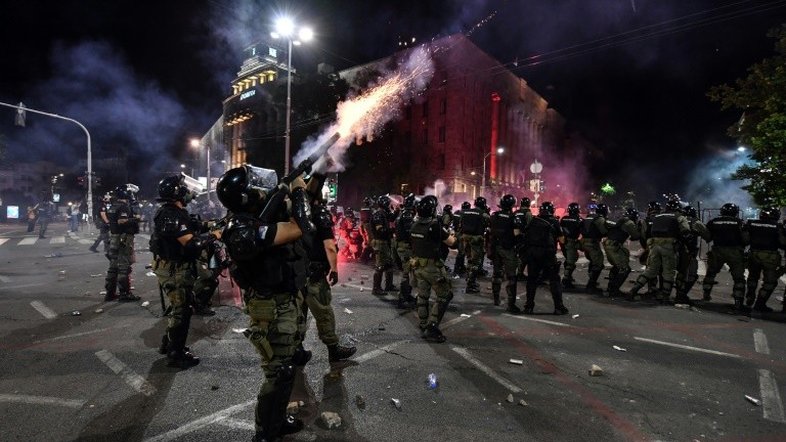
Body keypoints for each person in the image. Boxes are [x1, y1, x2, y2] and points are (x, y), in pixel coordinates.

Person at [216, 165, 311, 441]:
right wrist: (299, 191)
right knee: (279, 372)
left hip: (278, 301)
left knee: (285, 367)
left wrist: (285, 191)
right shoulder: (243, 229)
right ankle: (265, 433)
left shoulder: (249, 220)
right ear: (246, 197)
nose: (261, 189)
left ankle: (276, 422)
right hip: (270, 307)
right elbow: (300, 227)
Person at [150, 174, 221, 368]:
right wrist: (214, 236)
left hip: (173, 266)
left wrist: (213, 224)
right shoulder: (171, 214)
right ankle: (176, 353)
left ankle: (168, 344)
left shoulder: (174, 212)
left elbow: (193, 226)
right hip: (174, 269)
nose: (188, 191)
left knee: (180, 308)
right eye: (184, 187)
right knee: (182, 311)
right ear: (177, 192)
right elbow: (190, 243)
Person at [301, 181, 357, 361]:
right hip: (314, 275)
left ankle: (296, 351)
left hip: (297, 274)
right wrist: (334, 269)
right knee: (323, 312)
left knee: (297, 314)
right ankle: (333, 349)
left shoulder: (295, 213)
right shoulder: (319, 214)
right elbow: (330, 246)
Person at [410, 195, 457, 342]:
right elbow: (452, 243)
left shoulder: (414, 225)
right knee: (445, 295)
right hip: (432, 267)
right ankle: (432, 327)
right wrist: (453, 234)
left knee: (422, 296)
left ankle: (423, 323)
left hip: (418, 266)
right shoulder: (434, 226)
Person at [626, 199, 691, 303]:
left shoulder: (658, 216)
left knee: (651, 270)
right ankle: (665, 296)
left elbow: (648, 232)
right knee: (668, 272)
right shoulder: (679, 216)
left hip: (654, 245)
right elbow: (686, 231)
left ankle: (634, 290)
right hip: (669, 245)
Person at [520, 201, 569, 315]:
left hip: (533, 253)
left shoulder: (534, 220)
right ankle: (558, 307)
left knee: (532, 280)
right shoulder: (554, 221)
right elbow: (562, 240)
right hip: (548, 254)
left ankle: (529, 307)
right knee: (554, 281)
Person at [701, 203, 749, 310]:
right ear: (735, 212)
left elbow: (707, 237)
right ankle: (738, 301)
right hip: (735, 252)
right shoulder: (740, 223)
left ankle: (706, 295)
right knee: (738, 278)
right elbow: (745, 240)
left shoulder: (713, 221)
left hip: (717, 250)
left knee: (711, 274)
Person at [743, 207, 785, 312]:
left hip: (754, 254)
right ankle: (760, 304)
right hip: (770, 257)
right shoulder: (778, 226)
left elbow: (745, 240)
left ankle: (750, 296)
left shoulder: (752, 224)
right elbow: (783, 243)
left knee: (753, 277)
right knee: (770, 282)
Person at [105, 186, 140, 302]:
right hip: (123, 238)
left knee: (113, 266)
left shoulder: (113, 206)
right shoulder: (124, 206)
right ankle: (124, 294)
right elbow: (122, 220)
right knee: (124, 266)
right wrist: (135, 219)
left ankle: (110, 293)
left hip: (114, 237)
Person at [489, 194, 523, 311]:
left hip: (495, 248)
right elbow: (517, 235)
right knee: (511, 277)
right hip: (508, 249)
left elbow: (490, 231)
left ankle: (496, 299)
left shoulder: (494, 215)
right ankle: (511, 304)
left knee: (497, 274)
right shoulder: (514, 218)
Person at [674, 206, 711, 303]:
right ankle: (681, 295)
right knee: (692, 275)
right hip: (689, 252)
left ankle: (675, 293)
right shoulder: (696, 222)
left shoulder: (677, 220)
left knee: (679, 273)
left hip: (674, 251)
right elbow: (707, 236)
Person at [602, 207, 640, 297]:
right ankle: (613, 290)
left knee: (617, 266)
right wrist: (639, 227)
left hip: (609, 243)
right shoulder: (629, 223)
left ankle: (610, 288)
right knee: (624, 269)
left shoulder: (622, 220)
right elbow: (636, 236)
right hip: (614, 245)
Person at [461, 196, 490, 294]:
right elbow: (489, 224)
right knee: (476, 263)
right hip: (476, 239)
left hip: (465, 238)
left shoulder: (465, 212)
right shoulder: (483, 214)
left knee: (469, 259)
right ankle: (470, 284)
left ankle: (469, 279)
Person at [370, 195, 397, 295]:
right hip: (380, 242)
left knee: (389, 264)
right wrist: (392, 230)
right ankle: (376, 288)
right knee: (380, 265)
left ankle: (389, 285)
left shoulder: (384, 213)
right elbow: (380, 230)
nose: (390, 206)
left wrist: (397, 211)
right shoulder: (378, 215)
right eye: (389, 204)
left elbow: (391, 218)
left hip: (385, 241)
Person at [580, 203, 609, 294]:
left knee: (593, 261)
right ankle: (591, 285)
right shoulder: (600, 219)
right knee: (598, 264)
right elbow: (604, 231)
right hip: (592, 243)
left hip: (584, 242)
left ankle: (592, 281)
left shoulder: (589, 217)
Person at [395, 193, 417, 308]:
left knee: (408, 272)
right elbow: (410, 233)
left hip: (402, 245)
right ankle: (402, 298)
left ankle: (406, 295)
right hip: (405, 247)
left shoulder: (402, 213)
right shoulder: (407, 215)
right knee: (406, 273)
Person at [559, 202, 583, 290]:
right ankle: (566, 280)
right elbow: (584, 231)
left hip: (562, 241)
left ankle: (568, 277)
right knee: (571, 261)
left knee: (569, 258)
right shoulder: (579, 219)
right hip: (571, 241)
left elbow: (560, 229)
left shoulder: (564, 218)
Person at [451, 201, 471, 277]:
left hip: (456, 233)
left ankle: (461, 267)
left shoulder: (457, 212)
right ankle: (456, 271)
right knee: (461, 253)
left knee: (461, 252)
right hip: (462, 235)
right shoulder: (466, 214)